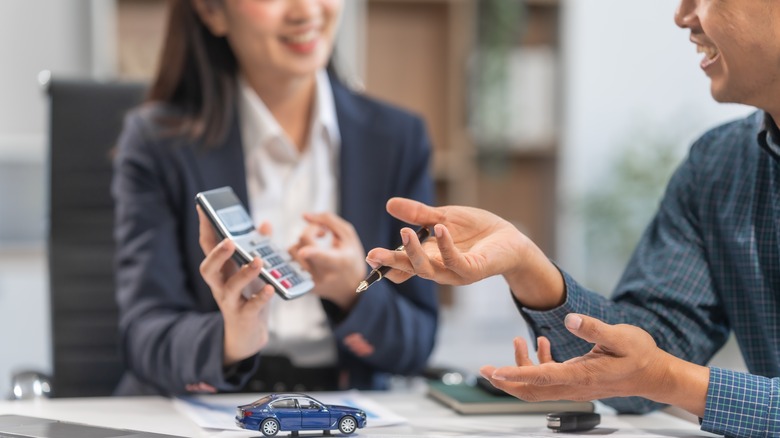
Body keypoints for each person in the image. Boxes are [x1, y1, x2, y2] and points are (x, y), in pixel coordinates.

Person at [366, 1, 780, 436]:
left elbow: (658, 374)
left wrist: (670, 379)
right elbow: (646, 364)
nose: (682, 16)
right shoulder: (718, 163)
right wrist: (529, 268)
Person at [111, 0, 437, 396]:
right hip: (206, 407)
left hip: (343, 407)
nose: (306, 10)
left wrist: (355, 289)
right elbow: (143, 334)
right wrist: (231, 339)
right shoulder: (156, 143)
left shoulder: (398, 139)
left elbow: (418, 342)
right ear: (213, 12)